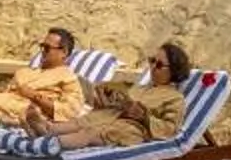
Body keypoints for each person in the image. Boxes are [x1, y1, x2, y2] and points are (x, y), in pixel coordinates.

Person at [28, 42, 192, 148]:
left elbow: (170, 129)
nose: (152, 67)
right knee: (87, 120)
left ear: (174, 70)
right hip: (112, 115)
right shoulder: (141, 87)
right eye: (152, 60)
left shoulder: (175, 98)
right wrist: (105, 99)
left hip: (132, 129)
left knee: (92, 132)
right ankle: (49, 129)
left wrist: (144, 117)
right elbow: (120, 104)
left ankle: (52, 145)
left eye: (159, 64)